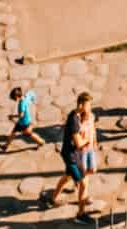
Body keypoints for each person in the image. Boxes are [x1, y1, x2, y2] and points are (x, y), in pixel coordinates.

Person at [44, 91, 99, 219]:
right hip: (72, 156)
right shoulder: (73, 120)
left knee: (68, 176)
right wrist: (88, 140)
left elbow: (91, 127)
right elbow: (79, 143)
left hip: (75, 153)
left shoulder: (82, 115)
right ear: (80, 105)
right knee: (84, 183)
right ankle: (80, 214)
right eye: (88, 105)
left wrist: (93, 141)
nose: (90, 108)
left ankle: (53, 199)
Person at [2, 87, 44, 151]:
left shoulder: (21, 104)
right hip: (27, 120)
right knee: (28, 133)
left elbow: (21, 115)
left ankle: (5, 146)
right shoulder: (24, 98)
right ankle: (40, 142)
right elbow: (31, 95)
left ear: (17, 97)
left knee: (15, 132)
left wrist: (12, 116)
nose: (14, 100)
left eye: (14, 98)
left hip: (22, 122)